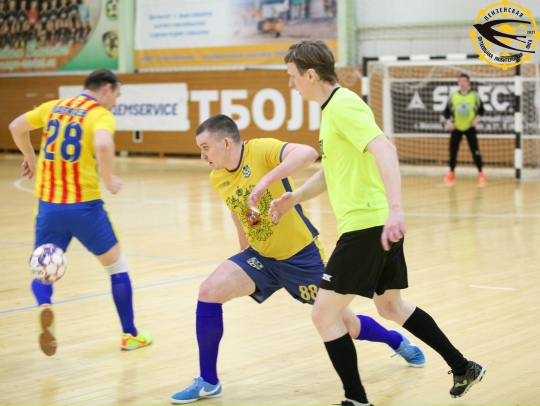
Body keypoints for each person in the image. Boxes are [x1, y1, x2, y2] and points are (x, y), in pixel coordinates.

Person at [269, 40, 486, 406]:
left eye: (292, 76)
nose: (290, 84)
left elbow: (385, 148)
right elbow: (331, 171)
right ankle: (463, 366)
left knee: (324, 315)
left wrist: (396, 208)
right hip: (376, 225)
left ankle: (356, 400)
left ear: (311, 74)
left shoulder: (343, 106)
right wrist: (295, 197)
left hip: (366, 228)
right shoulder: (332, 110)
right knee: (391, 308)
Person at [170, 114, 425, 404]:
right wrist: (243, 248)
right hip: (261, 257)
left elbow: (308, 153)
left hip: (301, 258)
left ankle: (395, 340)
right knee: (208, 291)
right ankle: (209, 381)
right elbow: (237, 211)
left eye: (205, 148)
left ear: (226, 143)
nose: (202, 156)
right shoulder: (218, 176)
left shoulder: (260, 149)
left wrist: (267, 180)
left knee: (348, 325)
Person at [8, 68, 153, 356]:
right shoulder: (99, 114)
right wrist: (108, 179)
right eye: (116, 95)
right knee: (117, 268)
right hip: (85, 207)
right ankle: (130, 335)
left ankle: (45, 305)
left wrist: (29, 157)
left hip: (49, 207)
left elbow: (16, 126)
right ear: (106, 88)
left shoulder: (53, 107)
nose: (115, 103)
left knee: (43, 271)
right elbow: (103, 144)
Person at [443, 73, 486, 185]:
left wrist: (476, 120)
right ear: (458, 83)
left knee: (475, 150)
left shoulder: (474, 95)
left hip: (469, 127)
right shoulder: (453, 96)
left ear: (468, 83)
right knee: (453, 150)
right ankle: (451, 172)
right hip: (457, 127)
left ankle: (480, 172)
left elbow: (481, 110)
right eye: (460, 81)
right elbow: (446, 112)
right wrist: (449, 122)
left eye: (464, 81)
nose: (462, 83)